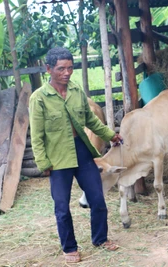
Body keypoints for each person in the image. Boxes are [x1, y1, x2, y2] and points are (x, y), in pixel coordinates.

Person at [29, 47, 123, 263]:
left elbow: (90, 120)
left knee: (97, 198)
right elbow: (37, 135)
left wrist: (111, 135)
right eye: (61, 69)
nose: (67, 73)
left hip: (81, 151)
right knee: (62, 206)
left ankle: (100, 239)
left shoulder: (76, 91)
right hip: (57, 157)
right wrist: (43, 163)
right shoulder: (39, 98)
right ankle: (69, 248)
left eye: (70, 68)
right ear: (49, 69)